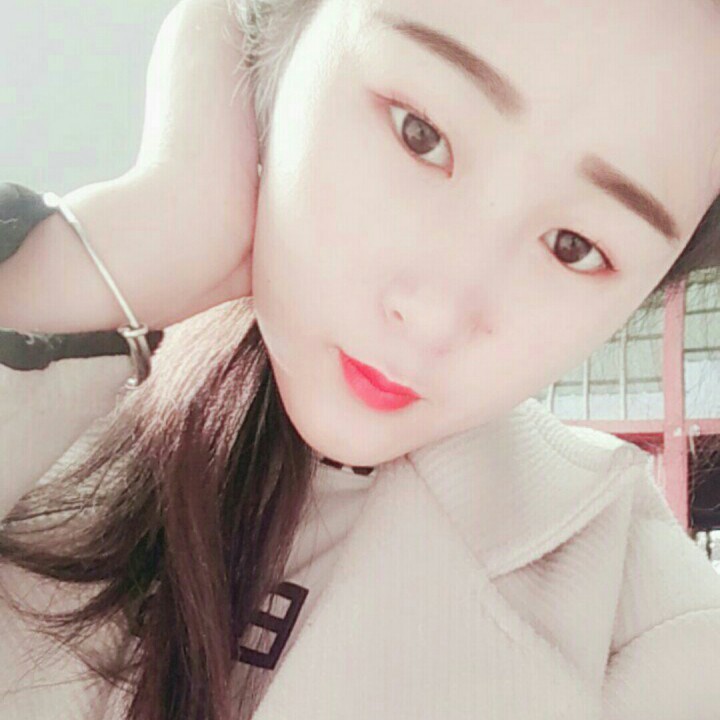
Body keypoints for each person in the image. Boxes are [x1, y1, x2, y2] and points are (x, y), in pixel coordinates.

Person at [1, 0, 720, 718]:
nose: (435, 316)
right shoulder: (52, 409)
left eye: (575, 247)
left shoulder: (640, 624)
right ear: (275, 38)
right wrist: (92, 264)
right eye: (419, 134)